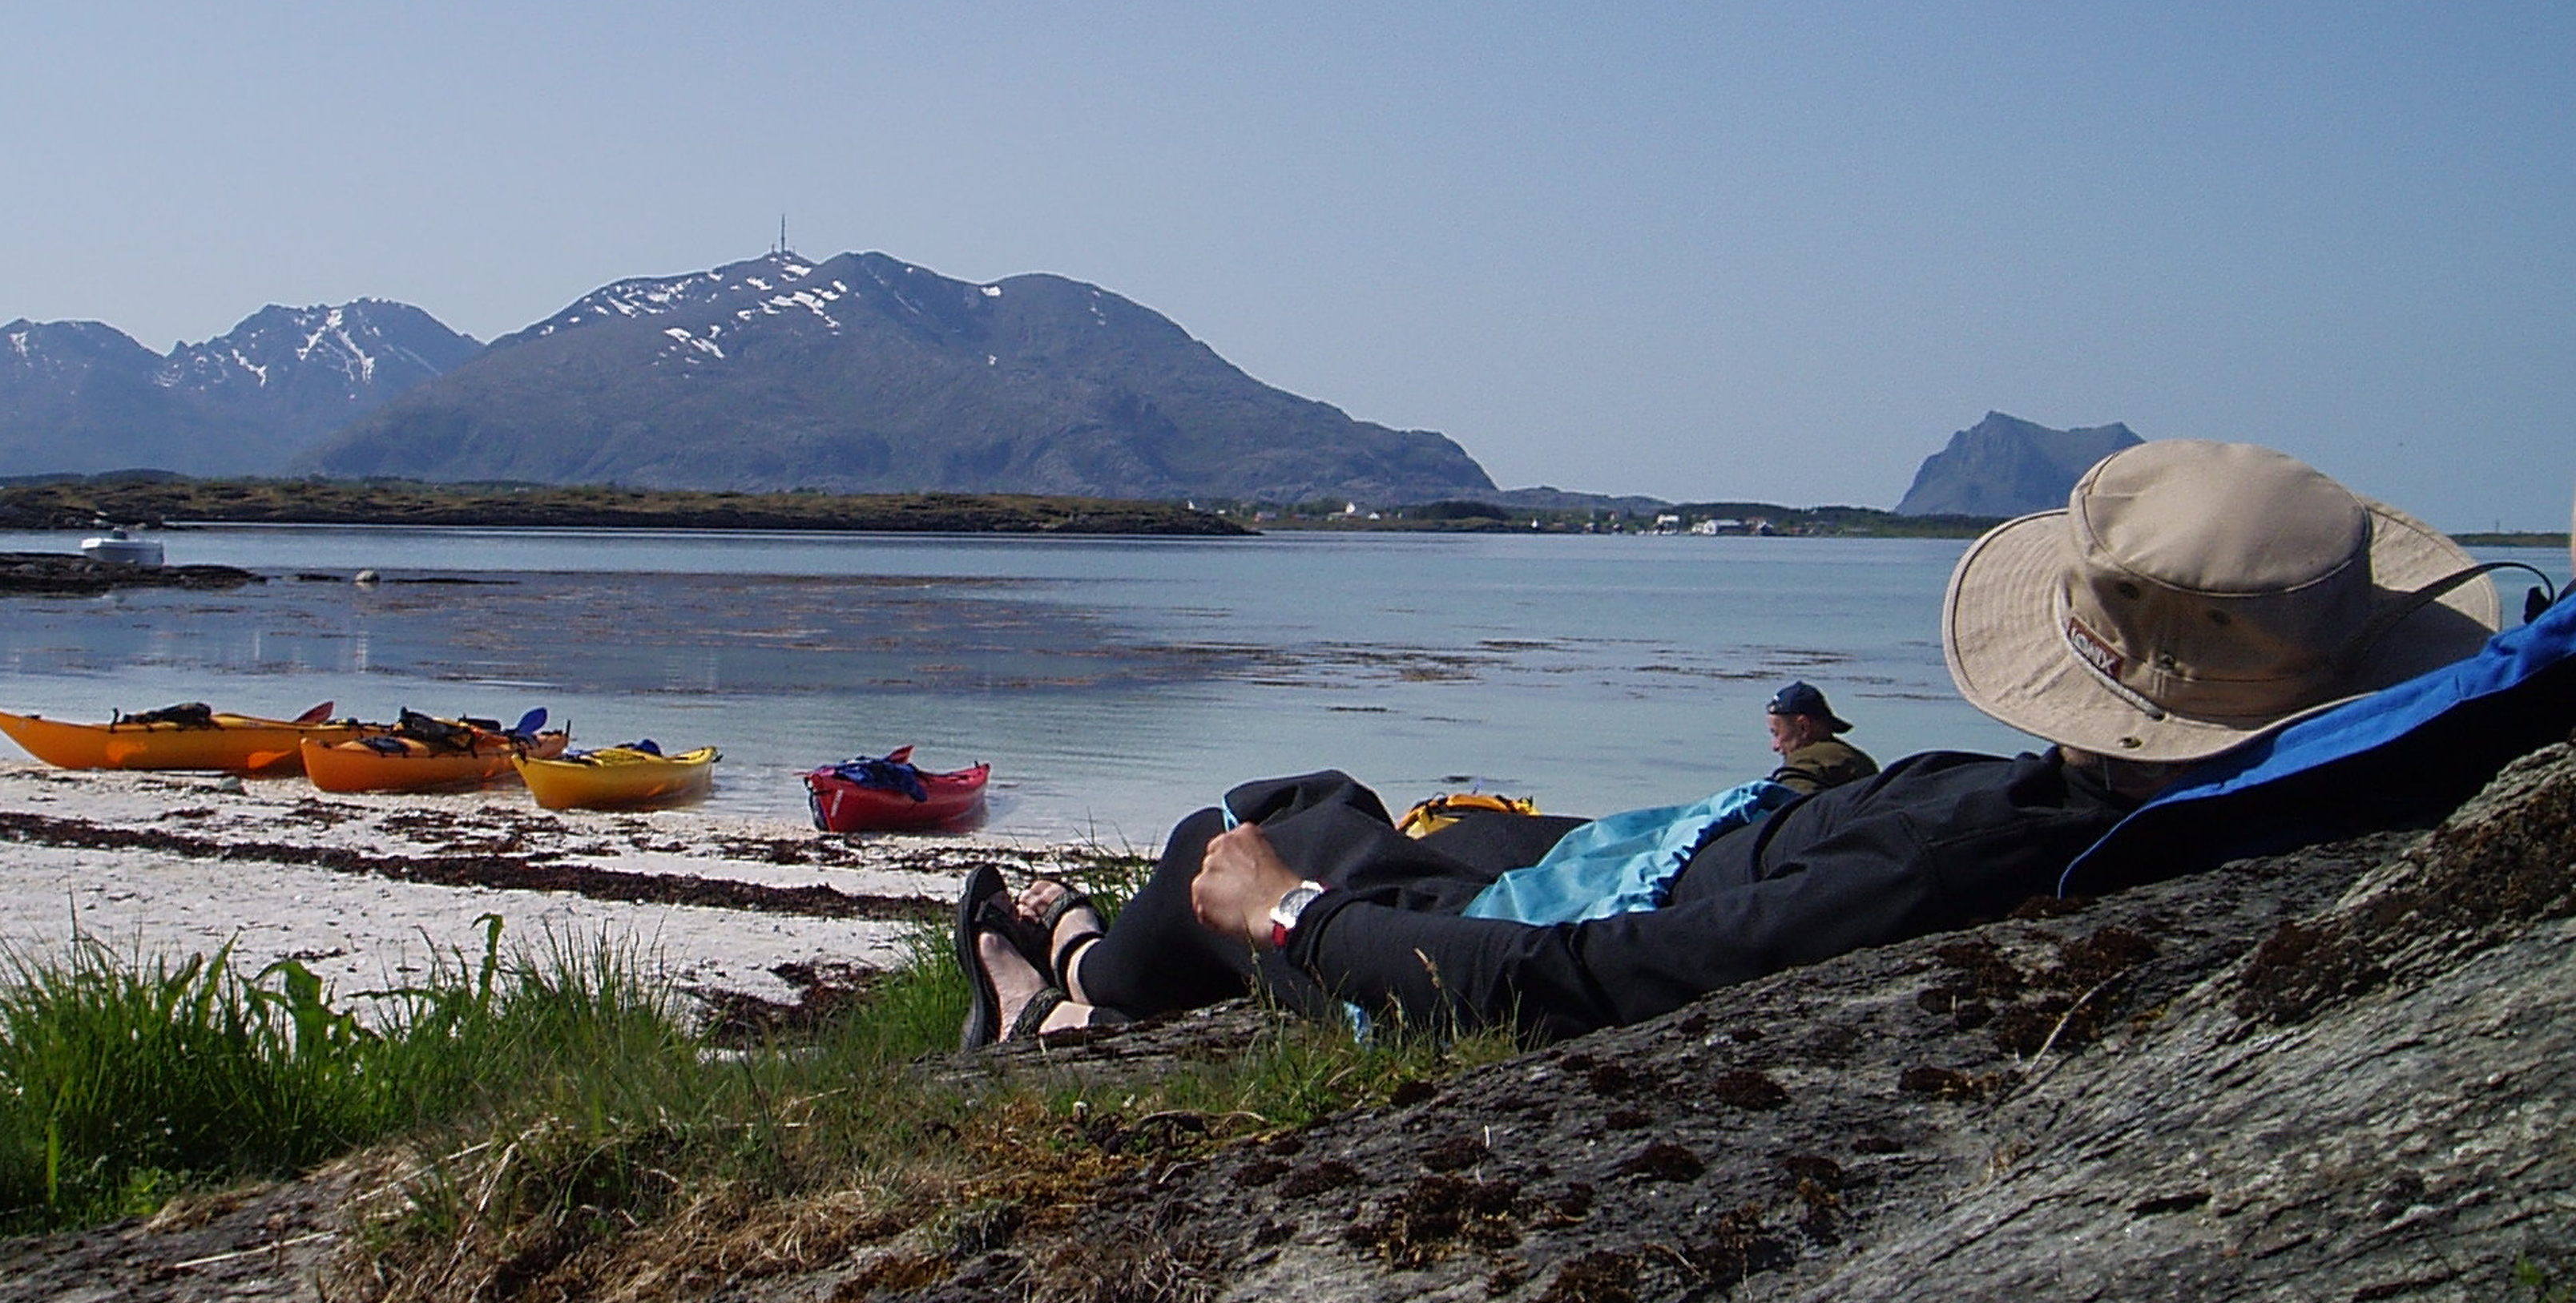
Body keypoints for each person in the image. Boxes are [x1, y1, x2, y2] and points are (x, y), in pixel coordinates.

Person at [954, 440, 2503, 1050]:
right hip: (1631, 844)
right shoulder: (2133, 800)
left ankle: (1072, 987)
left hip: (1565, 914)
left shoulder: (1970, 849)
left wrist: (1281, 916)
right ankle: (1088, 966)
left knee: (1246, 824)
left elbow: (1588, 988)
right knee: (1359, 802)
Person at [1764, 680, 1878, 793]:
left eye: (1776, 733)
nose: (1775, 746)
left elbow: (1798, 808)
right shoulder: (1863, 761)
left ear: (1803, 727)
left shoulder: (1803, 762)